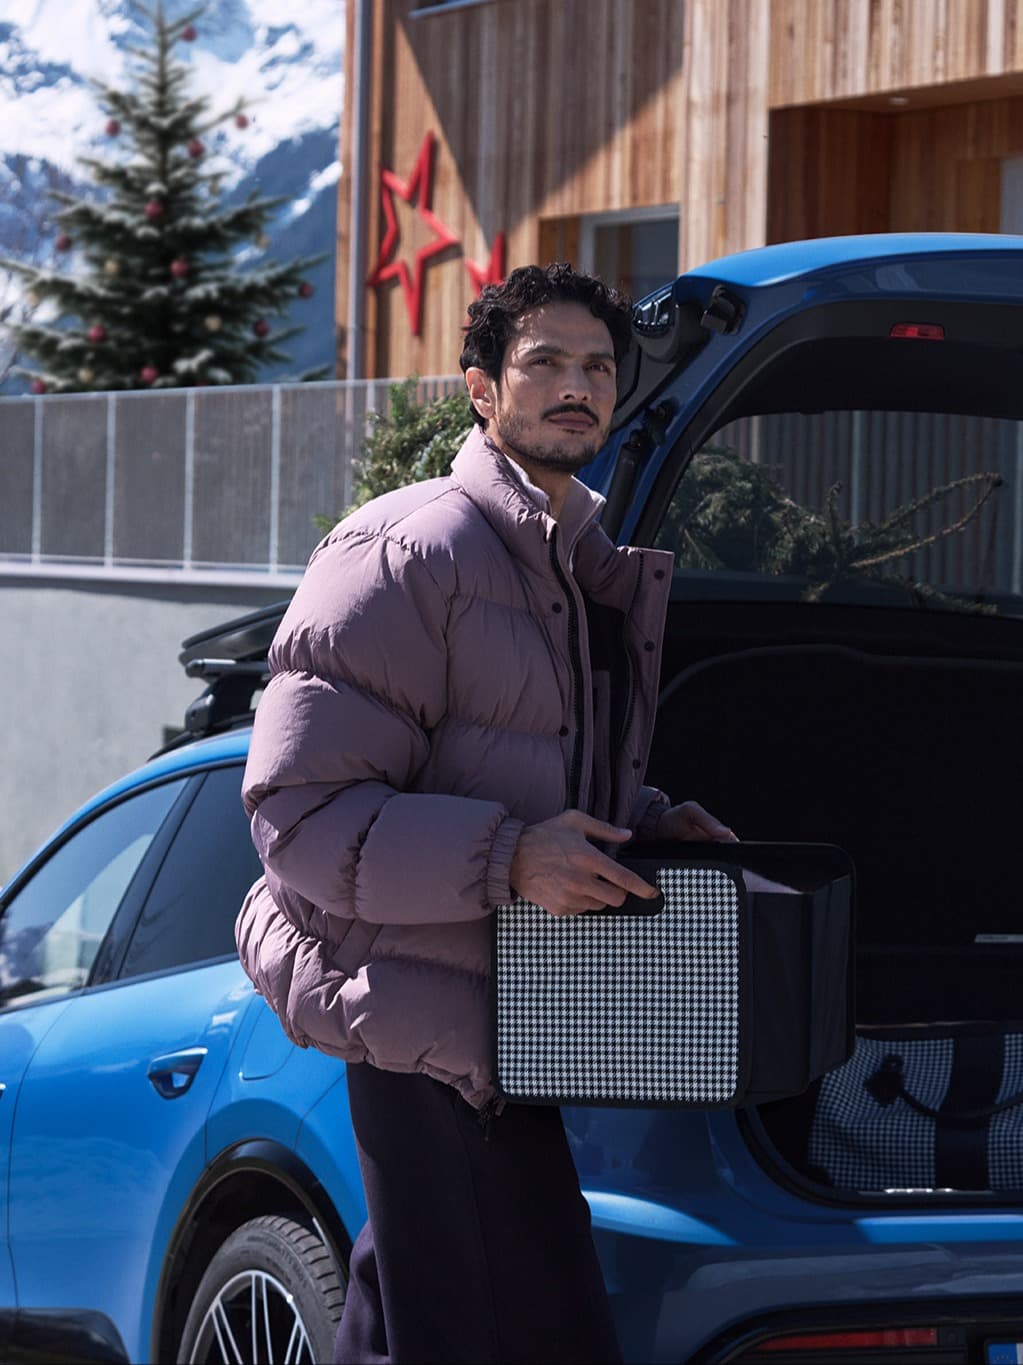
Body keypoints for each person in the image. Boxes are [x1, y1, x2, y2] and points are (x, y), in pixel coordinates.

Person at [236, 262, 737, 1365]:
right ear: (479, 390)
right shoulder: (408, 550)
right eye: (544, 363)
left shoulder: (573, 565)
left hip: (523, 1020)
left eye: (598, 367)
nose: (578, 387)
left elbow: (526, 770)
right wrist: (512, 861)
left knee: (410, 1320)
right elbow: (299, 815)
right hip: (433, 1029)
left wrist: (648, 822)